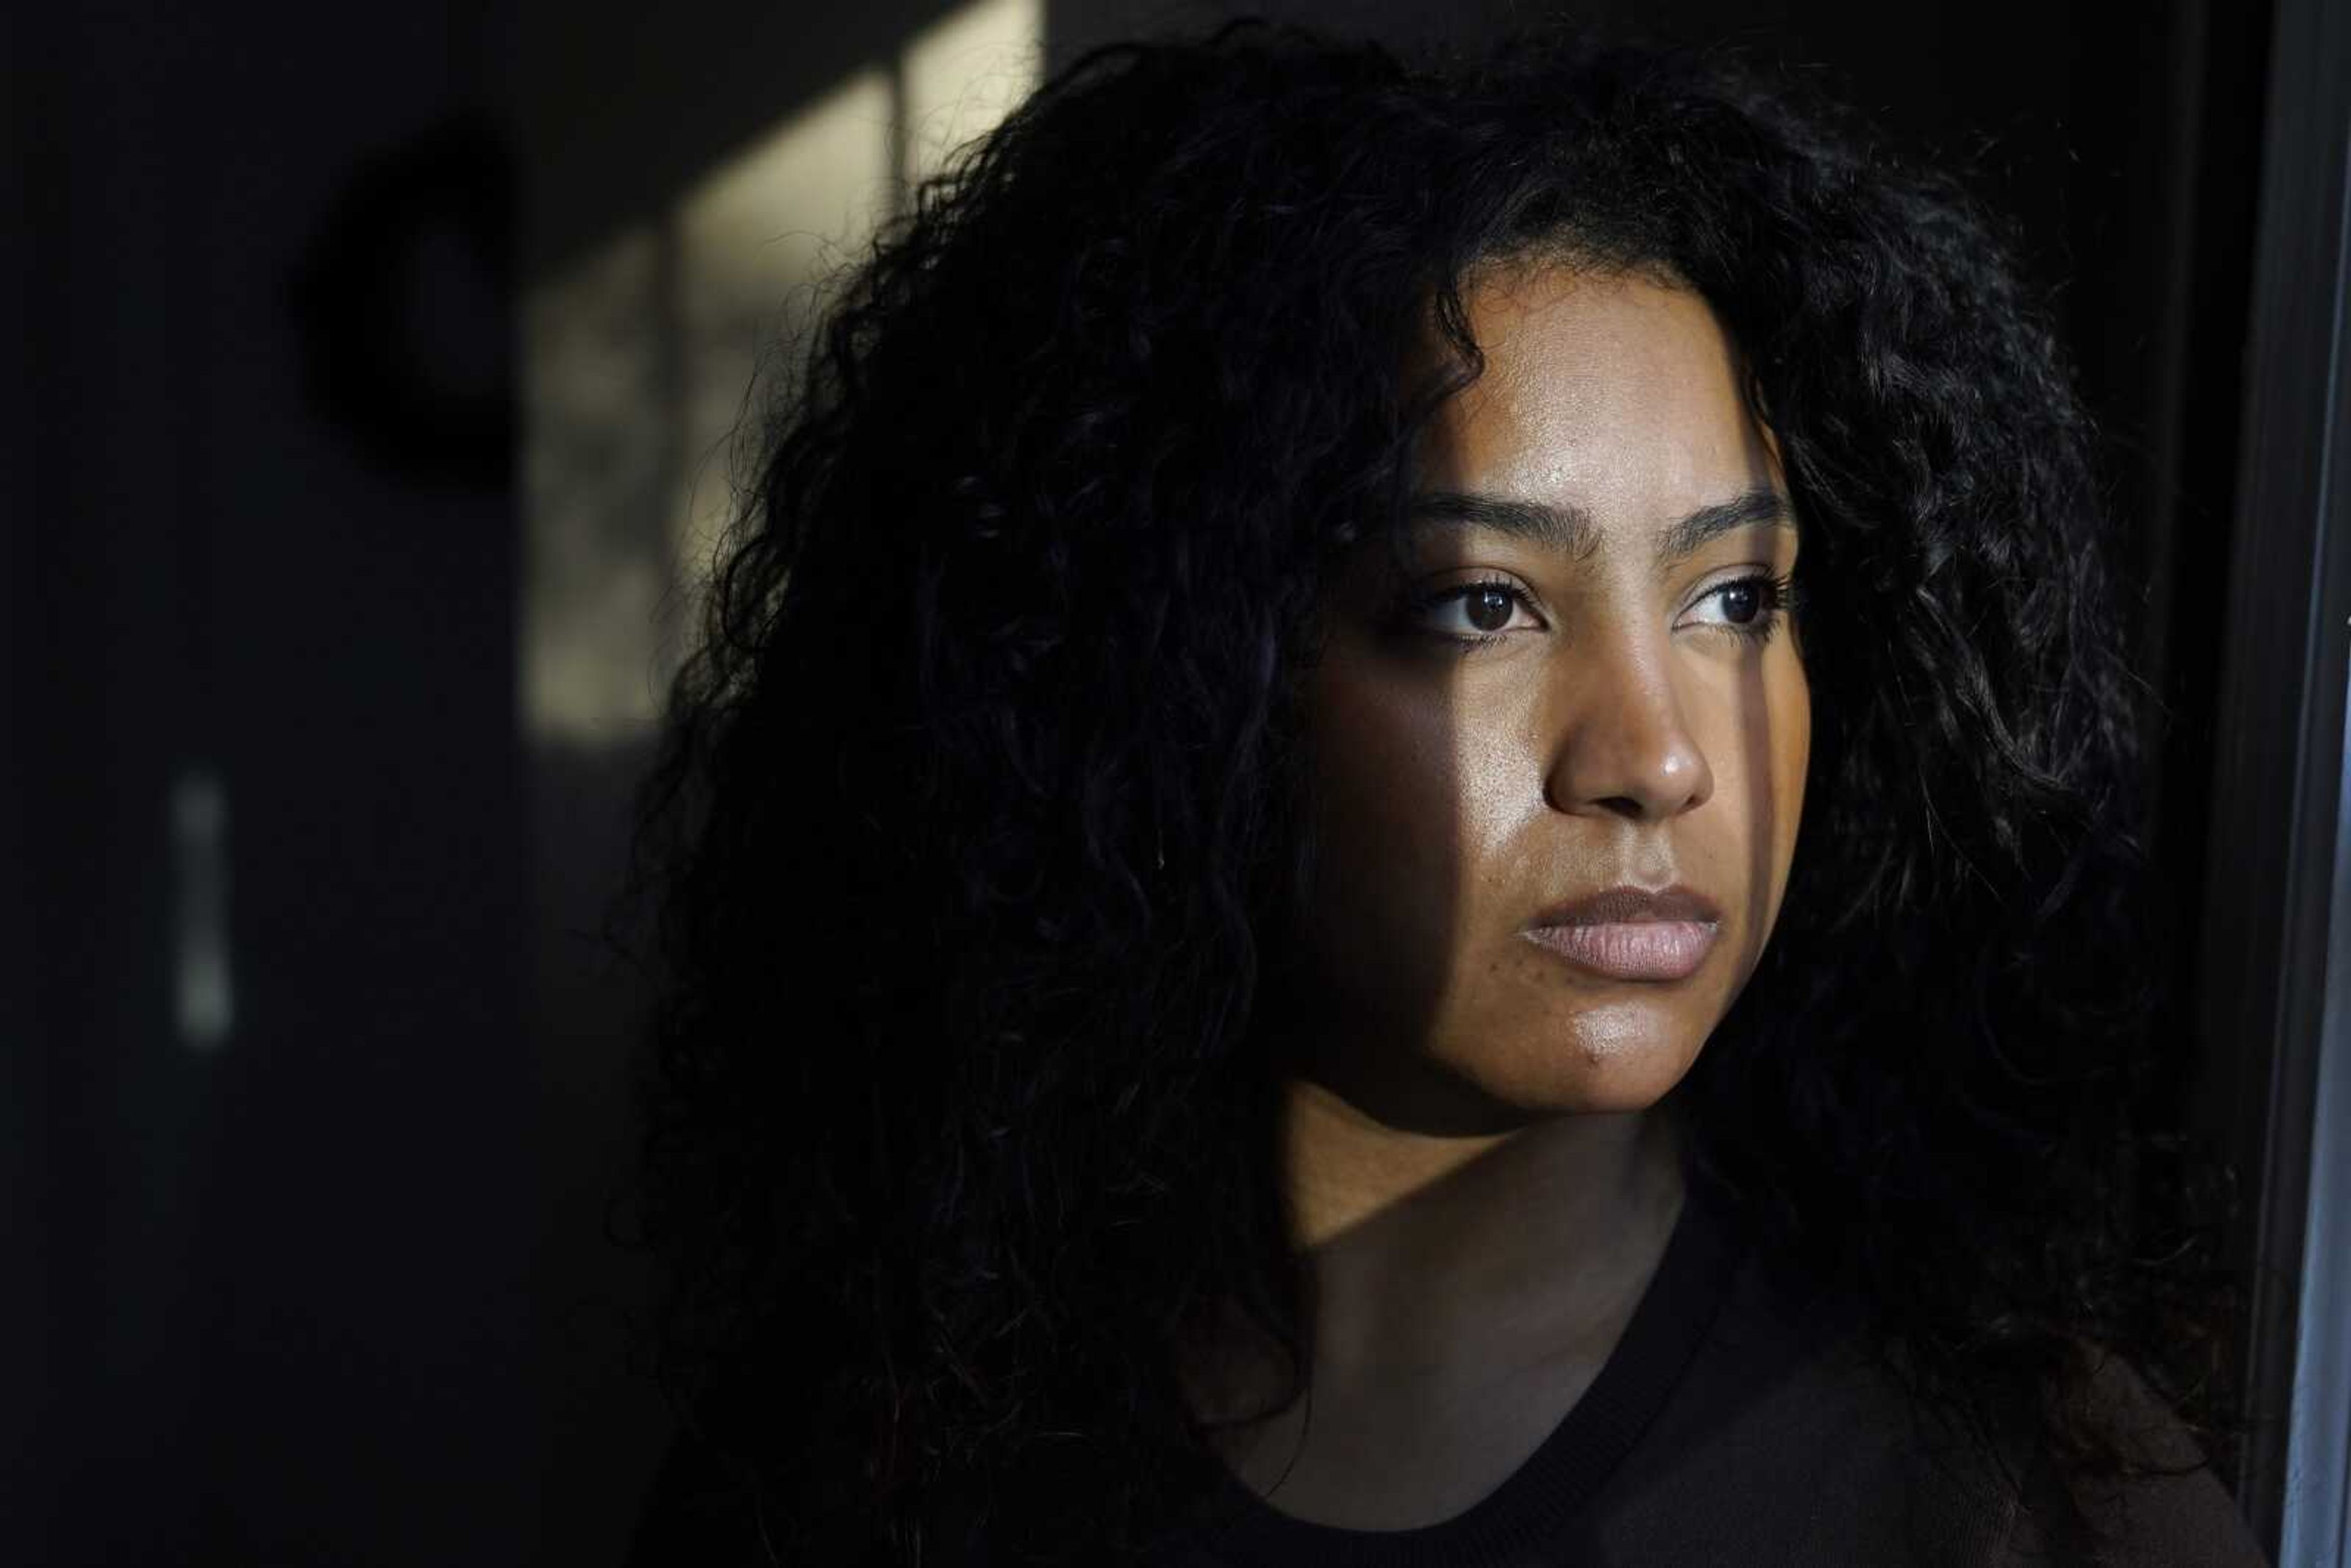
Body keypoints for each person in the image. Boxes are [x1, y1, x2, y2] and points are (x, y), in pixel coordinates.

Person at [613, 20, 2267, 1566]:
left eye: (1736, 601)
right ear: (1186, 675)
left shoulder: (2034, 1486)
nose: (1661, 756)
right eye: (1485, 602)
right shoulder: (885, 1465)